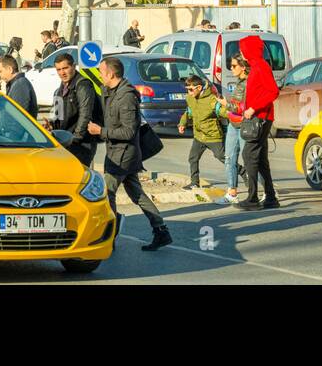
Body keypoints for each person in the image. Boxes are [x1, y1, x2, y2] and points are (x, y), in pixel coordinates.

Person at [87, 56, 171, 251]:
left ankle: (109, 236)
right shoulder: (110, 91)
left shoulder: (126, 96)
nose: (99, 75)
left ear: (110, 73)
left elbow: (129, 131)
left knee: (107, 194)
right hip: (118, 152)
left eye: (101, 72)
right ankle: (161, 231)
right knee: (137, 194)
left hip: (123, 155)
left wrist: (101, 132)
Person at [235, 36, 280, 211]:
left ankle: (252, 198)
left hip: (260, 117)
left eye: (242, 49)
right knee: (260, 159)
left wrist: (253, 108)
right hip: (261, 117)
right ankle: (270, 197)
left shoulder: (260, 66)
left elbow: (273, 91)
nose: (241, 53)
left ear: (249, 50)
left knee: (248, 155)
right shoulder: (256, 66)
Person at [46, 51, 99, 165]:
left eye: (65, 68)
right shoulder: (60, 90)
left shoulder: (83, 85)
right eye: (58, 69)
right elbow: (57, 115)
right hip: (65, 141)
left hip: (81, 143)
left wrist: (75, 139)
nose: (62, 73)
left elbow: (85, 115)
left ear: (73, 67)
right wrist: (51, 125)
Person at [178, 75, 225, 189]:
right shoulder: (190, 98)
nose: (189, 93)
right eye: (187, 90)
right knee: (193, 158)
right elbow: (189, 111)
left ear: (199, 87)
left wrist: (237, 115)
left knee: (222, 157)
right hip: (199, 136)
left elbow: (223, 112)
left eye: (190, 89)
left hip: (213, 136)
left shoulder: (211, 99)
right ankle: (195, 183)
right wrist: (182, 123)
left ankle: (244, 173)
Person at [216, 53, 246, 206]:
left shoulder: (247, 83)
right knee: (229, 158)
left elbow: (242, 107)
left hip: (244, 124)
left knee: (250, 160)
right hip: (233, 123)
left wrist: (225, 104)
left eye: (234, 66)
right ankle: (232, 192)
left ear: (243, 67)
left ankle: (268, 191)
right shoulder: (239, 82)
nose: (231, 68)